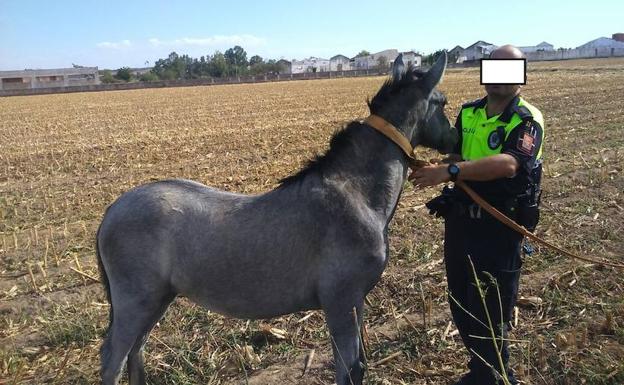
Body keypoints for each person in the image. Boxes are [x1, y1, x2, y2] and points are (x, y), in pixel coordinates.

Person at [409, 45, 544, 385]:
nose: (498, 75)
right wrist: (440, 165)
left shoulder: (527, 119)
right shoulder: (469, 113)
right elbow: (459, 152)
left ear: (520, 75)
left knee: (490, 312)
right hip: (461, 224)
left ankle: (499, 376)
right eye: (494, 67)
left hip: (499, 227)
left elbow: (510, 163)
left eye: (507, 69)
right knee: (462, 305)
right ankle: (480, 373)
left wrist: (450, 171)